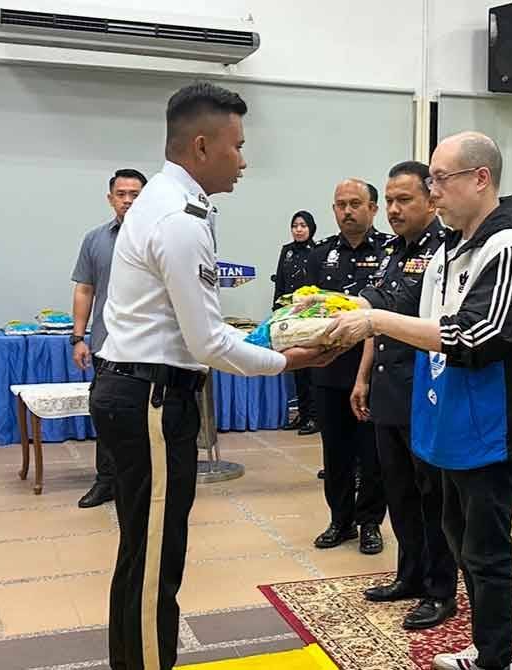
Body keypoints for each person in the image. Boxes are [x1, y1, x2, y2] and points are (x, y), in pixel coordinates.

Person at [91, 82, 337, 670]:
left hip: (139, 388)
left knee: (145, 554)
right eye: (238, 146)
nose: (245, 161)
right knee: (154, 561)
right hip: (150, 395)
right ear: (201, 147)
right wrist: (291, 360)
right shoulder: (179, 218)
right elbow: (208, 342)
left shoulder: (165, 204)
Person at [326, 132, 512, 670]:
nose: (433, 192)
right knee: (454, 533)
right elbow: (408, 304)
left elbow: (480, 335)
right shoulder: (451, 245)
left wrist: (376, 321)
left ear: (480, 179)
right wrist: (340, 309)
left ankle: (498, 658)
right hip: (448, 414)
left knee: (487, 549)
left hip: (492, 424)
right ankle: (481, 644)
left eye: (439, 181)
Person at [354, 161, 458, 630]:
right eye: (390, 201)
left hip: (428, 389)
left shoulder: (446, 250)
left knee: (432, 495)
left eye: (404, 200)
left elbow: (412, 313)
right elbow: (375, 315)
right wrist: (363, 378)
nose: (393, 210)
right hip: (390, 387)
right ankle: (409, 575)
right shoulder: (391, 249)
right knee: (398, 490)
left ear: (431, 200)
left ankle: (440, 589)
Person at [304, 178, 392, 555]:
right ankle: (340, 519)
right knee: (335, 452)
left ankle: (369, 522)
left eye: (356, 203)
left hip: (374, 371)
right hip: (328, 369)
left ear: (373, 208)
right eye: (340, 204)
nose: (347, 211)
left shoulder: (390, 251)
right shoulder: (320, 254)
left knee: (372, 453)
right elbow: (304, 309)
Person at [70, 168, 147, 508]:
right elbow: (85, 289)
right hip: (106, 345)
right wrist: (78, 337)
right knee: (106, 414)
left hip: (149, 347)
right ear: (110, 198)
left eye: (135, 194)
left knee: (148, 418)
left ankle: (145, 484)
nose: (128, 200)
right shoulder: (95, 240)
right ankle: (106, 481)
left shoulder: (158, 238)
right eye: (122, 194)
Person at [272, 210, 319, 436]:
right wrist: (277, 312)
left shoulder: (317, 251)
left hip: (309, 316)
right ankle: (302, 413)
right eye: (295, 225)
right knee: (295, 367)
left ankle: (313, 416)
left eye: (303, 225)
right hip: (289, 315)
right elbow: (280, 283)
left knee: (309, 366)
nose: (299, 229)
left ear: (311, 228)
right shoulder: (287, 252)